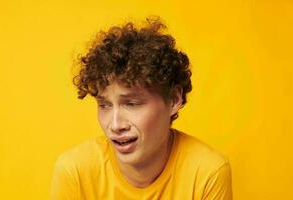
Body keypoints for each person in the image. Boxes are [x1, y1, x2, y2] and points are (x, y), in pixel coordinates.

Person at [50, 17, 233, 200]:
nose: (115, 125)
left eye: (131, 104)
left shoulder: (208, 172)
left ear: (174, 99)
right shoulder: (75, 171)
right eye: (104, 105)